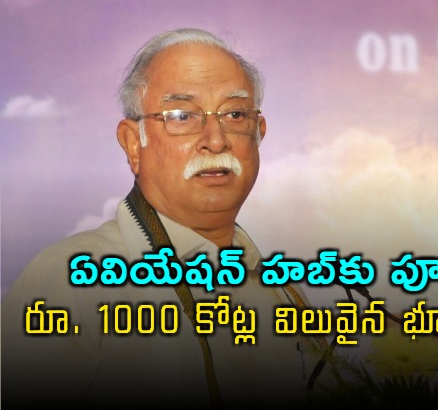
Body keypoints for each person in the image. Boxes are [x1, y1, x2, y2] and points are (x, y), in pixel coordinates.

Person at [1, 28, 329, 409]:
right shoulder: (67, 282)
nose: (216, 140)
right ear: (133, 144)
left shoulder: (284, 292)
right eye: (182, 116)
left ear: (259, 133)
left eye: (235, 114)